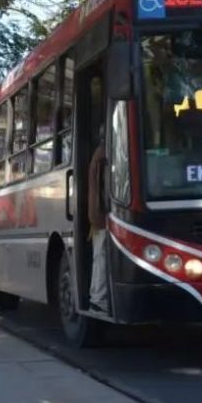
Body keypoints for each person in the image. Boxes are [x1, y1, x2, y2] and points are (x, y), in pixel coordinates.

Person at [88, 126, 109, 313]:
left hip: (97, 214)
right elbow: (105, 191)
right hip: (102, 215)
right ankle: (98, 298)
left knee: (99, 256)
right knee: (101, 257)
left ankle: (97, 296)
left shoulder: (99, 153)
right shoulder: (103, 157)